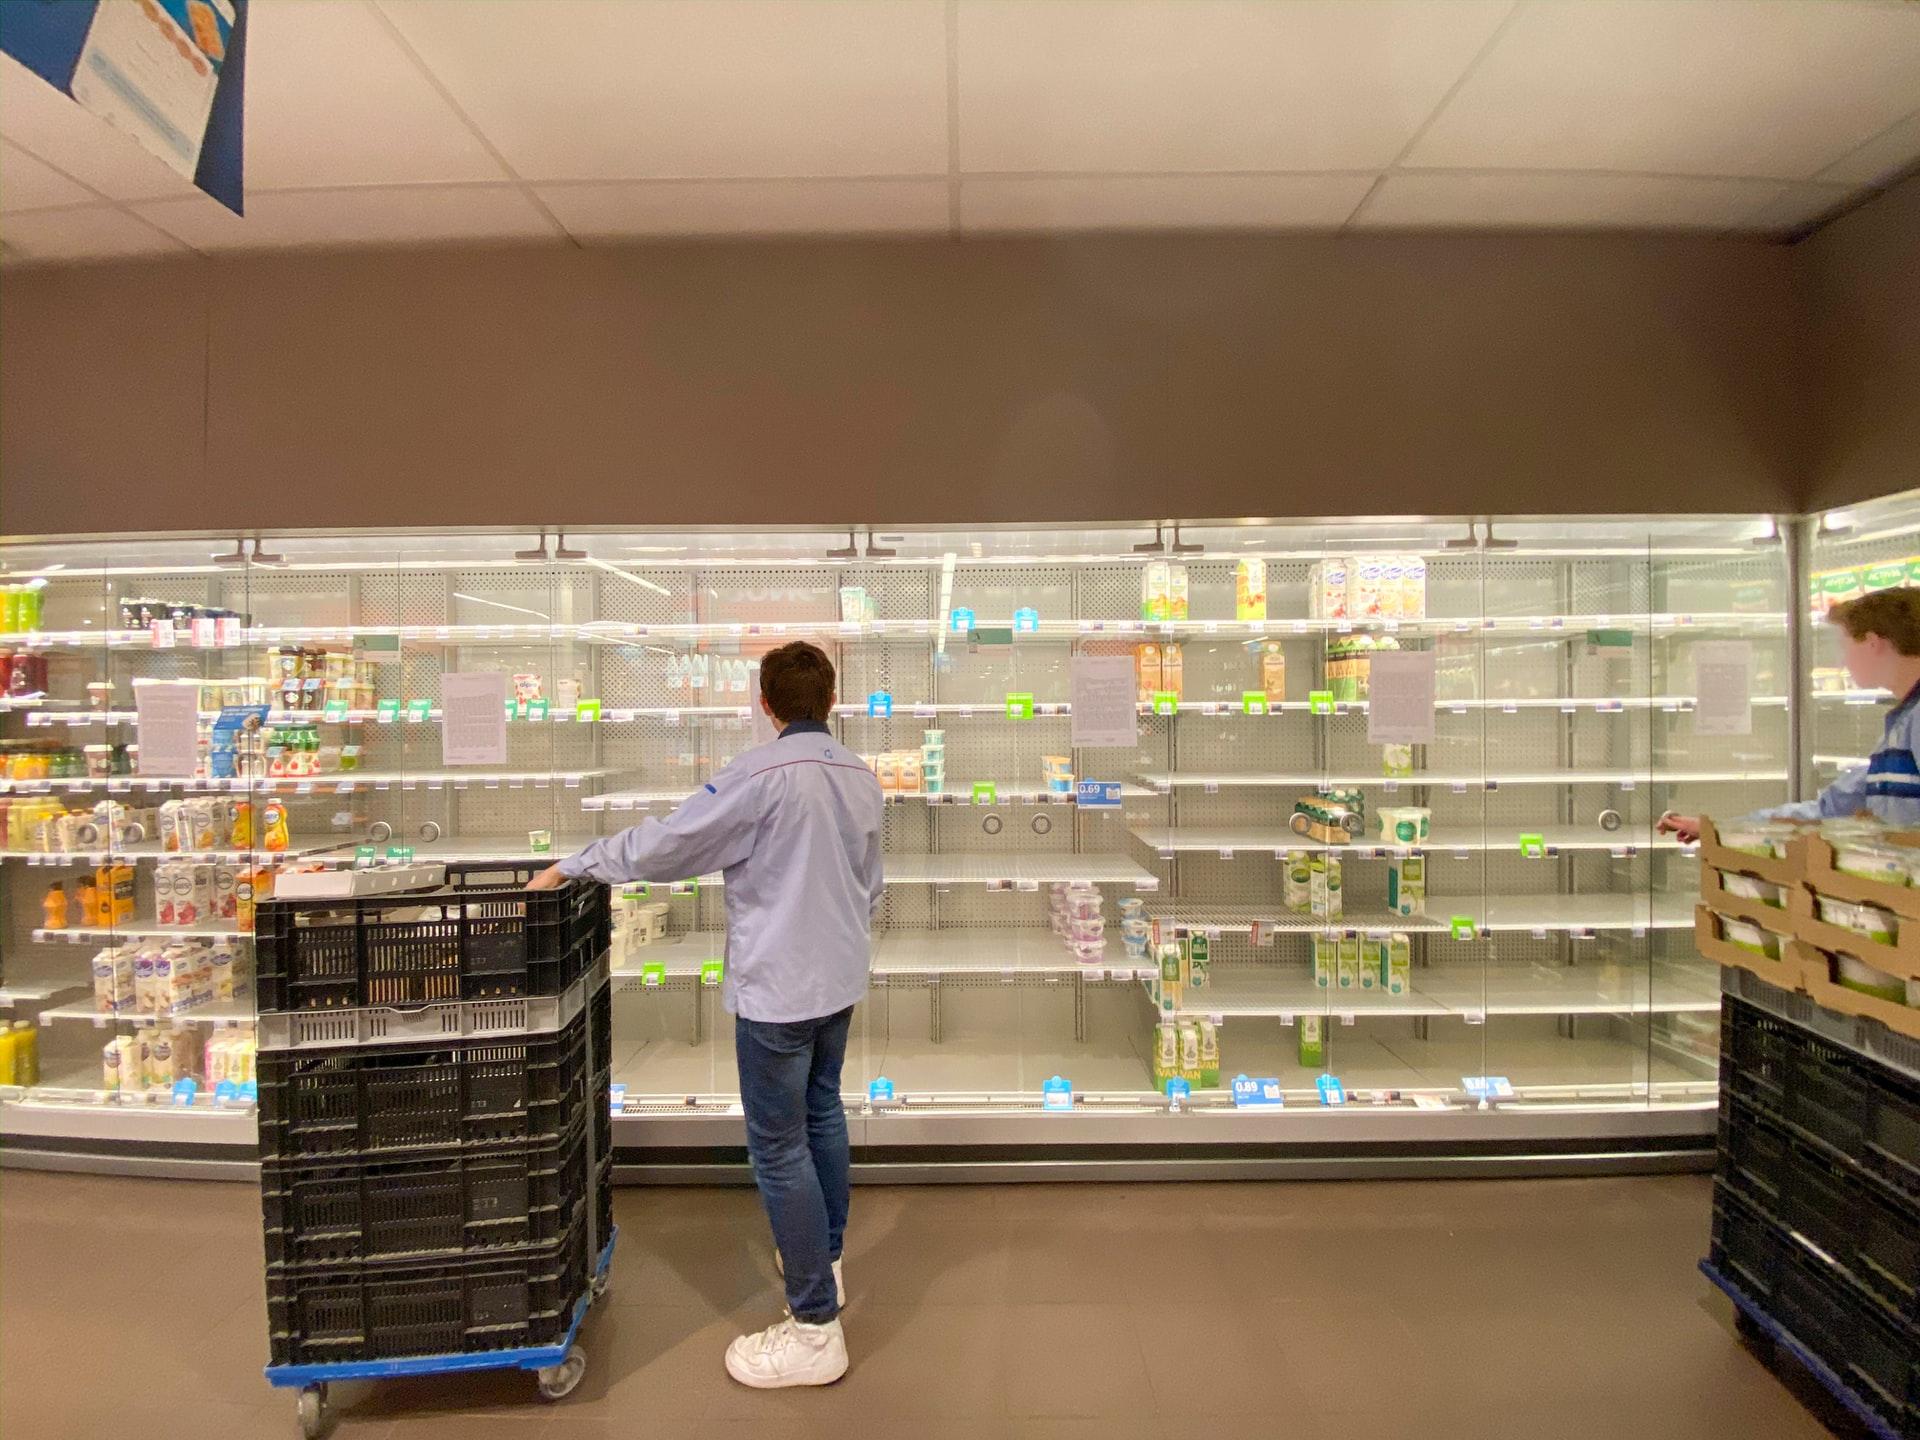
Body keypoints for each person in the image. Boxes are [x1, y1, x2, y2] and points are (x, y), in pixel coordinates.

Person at [529, 640, 882, 1388]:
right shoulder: (860, 776)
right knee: (824, 1114)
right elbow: (868, 882)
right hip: (838, 982)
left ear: (765, 703)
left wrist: (579, 862)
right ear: (832, 700)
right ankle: (828, 1261)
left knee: (780, 1148)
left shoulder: (758, 776)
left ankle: (815, 1328)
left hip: (779, 992)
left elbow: (668, 846)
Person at [1660, 588, 1920, 843]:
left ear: (1873, 643)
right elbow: (1831, 809)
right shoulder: (1902, 724)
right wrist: (1722, 830)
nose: (1843, 661)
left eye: (1846, 646)